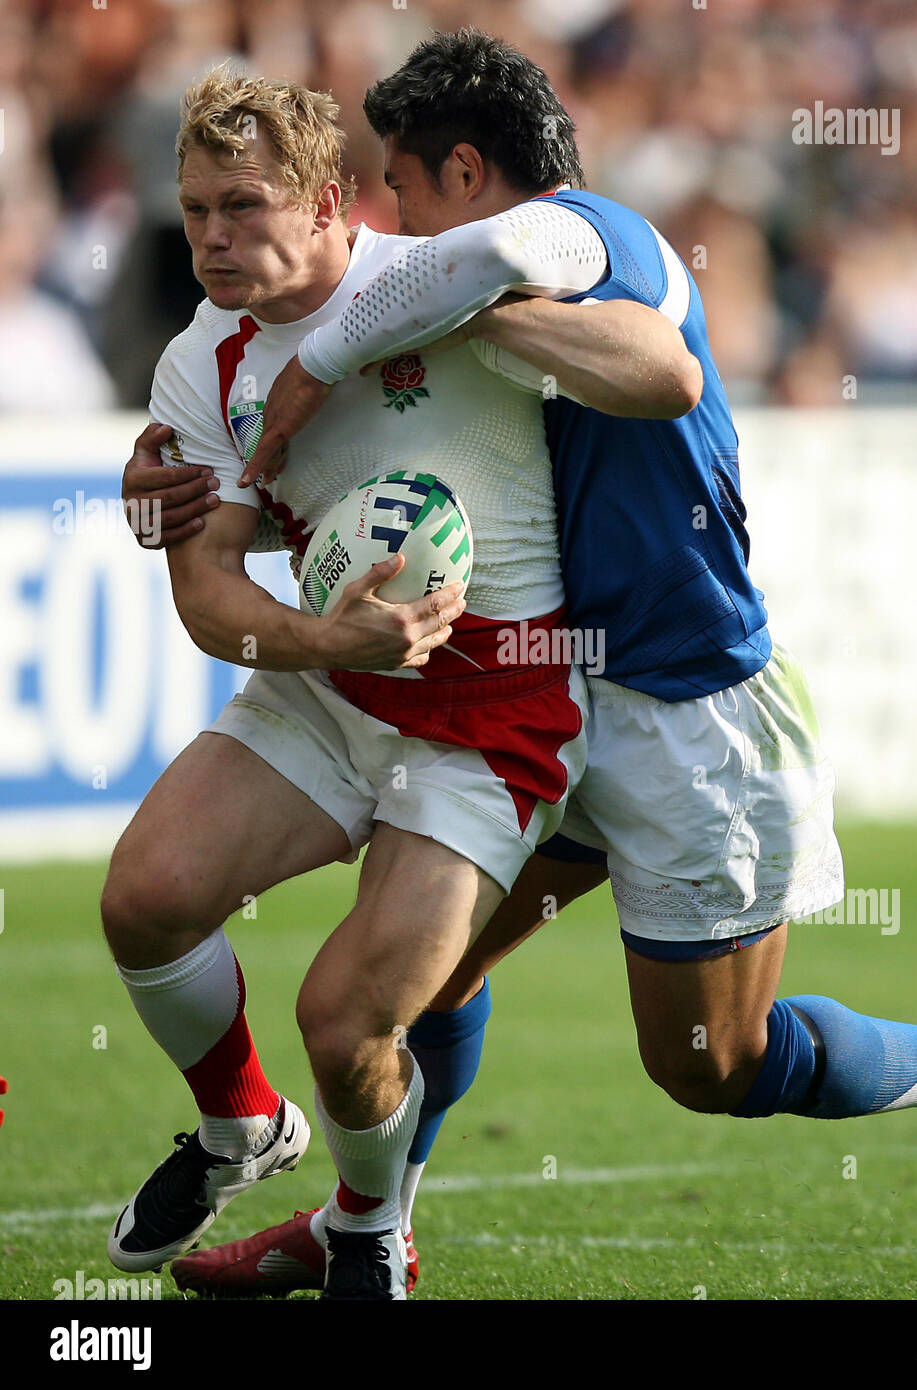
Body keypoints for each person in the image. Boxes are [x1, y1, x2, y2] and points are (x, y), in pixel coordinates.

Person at [136, 32, 917, 1300]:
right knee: (417, 980)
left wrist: (321, 360)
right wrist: (165, 465)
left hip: (690, 709)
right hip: (542, 698)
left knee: (706, 1065)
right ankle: (370, 1224)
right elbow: (327, 359)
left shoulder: (595, 235)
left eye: (403, 189)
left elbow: (659, 367)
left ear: (464, 172)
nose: (397, 228)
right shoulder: (431, 289)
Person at [102, 63, 696, 1301]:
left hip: (498, 719)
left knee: (347, 1020)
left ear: (327, 200)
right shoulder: (197, 364)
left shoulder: (445, 274)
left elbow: (658, 369)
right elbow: (209, 593)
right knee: (145, 898)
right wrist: (332, 647)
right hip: (332, 690)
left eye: (244, 205)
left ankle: (369, 1221)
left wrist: (471, 323)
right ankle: (238, 1128)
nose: (213, 236)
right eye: (196, 207)